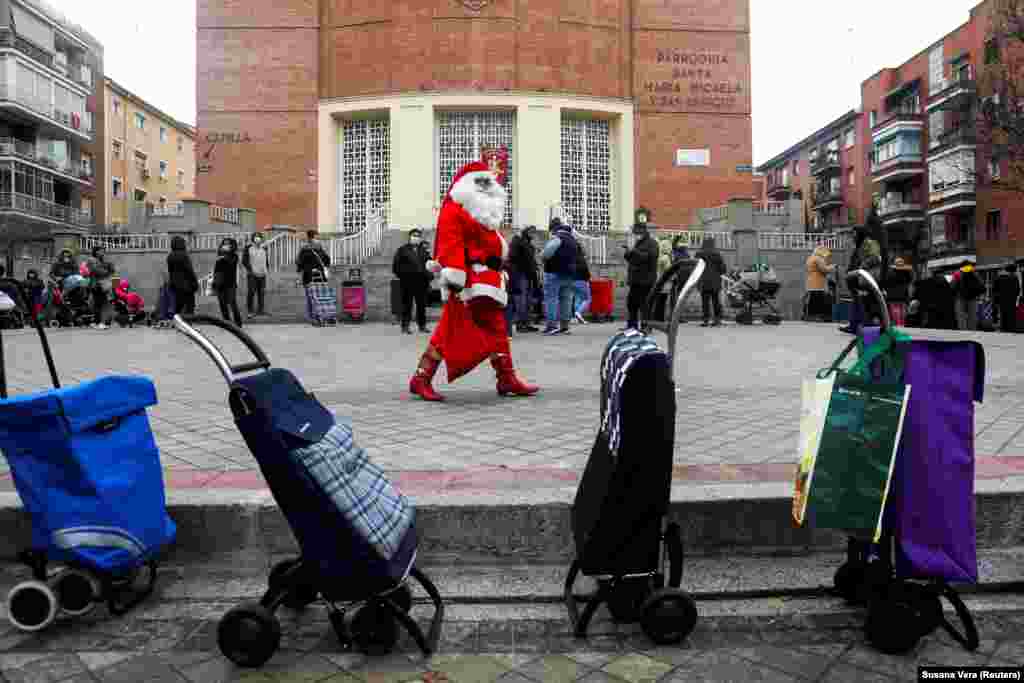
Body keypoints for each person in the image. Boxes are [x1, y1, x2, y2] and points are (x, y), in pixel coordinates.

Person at [408, 157, 538, 402]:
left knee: (494, 328)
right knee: (455, 329)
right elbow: (450, 243)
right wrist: (455, 277)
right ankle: (422, 377)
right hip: (469, 282)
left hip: (487, 281)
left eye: (489, 183)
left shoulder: (483, 215)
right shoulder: (454, 208)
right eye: (480, 183)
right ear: (465, 186)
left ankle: (505, 377)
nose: (487, 188)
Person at [540, 218, 578, 335]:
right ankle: (565, 326)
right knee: (566, 299)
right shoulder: (573, 240)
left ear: (553, 229)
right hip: (569, 274)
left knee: (551, 298)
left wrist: (542, 255)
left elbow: (546, 254)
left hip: (553, 272)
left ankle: (552, 325)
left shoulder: (557, 238)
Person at [392, 228, 432, 334]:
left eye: (418, 236)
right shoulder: (402, 250)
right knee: (407, 305)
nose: (416, 238)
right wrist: (404, 276)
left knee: (421, 305)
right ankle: (405, 326)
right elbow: (396, 266)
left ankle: (422, 326)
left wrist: (429, 276)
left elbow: (430, 265)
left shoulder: (423, 250)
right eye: (414, 235)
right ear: (409, 237)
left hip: (421, 282)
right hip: (407, 282)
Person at [622, 218, 658, 329]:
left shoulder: (652, 243)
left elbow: (650, 257)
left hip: (646, 280)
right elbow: (632, 259)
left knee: (644, 305)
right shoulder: (638, 243)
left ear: (642, 232)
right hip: (635, 280)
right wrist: (628, 252)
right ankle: (632, 326)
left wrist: (634, 251)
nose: (635, 235)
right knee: (631, 303)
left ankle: (646, 326)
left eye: (637, 233)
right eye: (634, 233)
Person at [507, 225, 540, 333]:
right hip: (521, 273)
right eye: (531, 232)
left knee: (527, 299)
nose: (533, 234)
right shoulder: (518, 241)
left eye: (534, 232)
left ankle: (526, 322)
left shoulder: (527, 242)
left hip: (528, 274)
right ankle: (521, 323)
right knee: (522, 299)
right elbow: (513, 257)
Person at [296, 230, 331, 322]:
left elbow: (299, 263)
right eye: (316, 237)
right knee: (320, 296)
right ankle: (320, 314)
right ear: (314, 237)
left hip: (308, 276)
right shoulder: (320, 248)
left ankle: (312, 316)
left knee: (310, 297)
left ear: (308, 237)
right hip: (320, 277)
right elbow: (327, 260)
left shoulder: (304, 249)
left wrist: (300, 270)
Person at [695, 236, 726, 327]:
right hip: (715, 282)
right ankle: (717, 320)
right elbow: (723, 269)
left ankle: (705, 320)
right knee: (716, 301)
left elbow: (695, 267)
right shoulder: (717, 254)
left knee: (705, 301)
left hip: (703, 281)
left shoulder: (699, 254)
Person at [213, 237, 243, 327]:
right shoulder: (219, 256)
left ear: (232, 246)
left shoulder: (234, 256)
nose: (225, 246)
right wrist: (214, 282)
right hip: (220, 284)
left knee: (232, 303)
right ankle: (227, 322)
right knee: (222, 304)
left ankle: (238, 323)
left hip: (231, 284)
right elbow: (216, 270)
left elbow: (231, 263)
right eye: (224, 244)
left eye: (228, 244)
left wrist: (223, 257)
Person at [167, 235, 199, 315]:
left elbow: (170, 272)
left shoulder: (170, 256)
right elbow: (189, 271)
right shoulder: (184, 256)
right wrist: (195, 283)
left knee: (178, 307)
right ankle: (188, 323)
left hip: (175, 286)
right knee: (190, 307)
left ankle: (178, 322)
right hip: (187, 286)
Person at [85, 245, 114, 330]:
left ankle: (99, 322)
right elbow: (96, 271)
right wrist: (107, 271)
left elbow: (112, 270)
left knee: (103, 303)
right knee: (99, 303)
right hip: (96, 285)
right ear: (96, 251)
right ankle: (100, 323)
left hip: (104, 284)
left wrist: (109, 269)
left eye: (103, 251)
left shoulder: (103, 260)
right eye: (101, 251)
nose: (103, 252)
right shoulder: (91, 260)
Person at [951, 260, 984, 331]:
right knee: (972, 316)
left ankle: (963, 331)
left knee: (961, 316)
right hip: (973, 298)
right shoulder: (975, 273)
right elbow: (981, 286)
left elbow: (952, 286)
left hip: (960, 298)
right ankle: (972, 331)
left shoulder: (957, 274)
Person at [805, 246, 835, 322]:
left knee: (812, 300)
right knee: (818, 300)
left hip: (811, 281)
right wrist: (832, 267)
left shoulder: (810, 258)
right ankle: (817, 316)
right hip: (817, 282)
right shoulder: (818, 259)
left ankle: (810, 316)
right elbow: (824, 269)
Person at [243, 232, 269, 318]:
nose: (258, 238)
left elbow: (265, 259)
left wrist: (266, 269)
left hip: (262, 275)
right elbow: (244, 261)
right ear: (253, 239)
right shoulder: (248, 248)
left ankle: (261, 310)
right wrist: (250, 270)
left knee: (261, 293)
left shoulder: (264, 248)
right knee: (251, 292)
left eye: (259, 237)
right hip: (252, 275)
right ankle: (250, 311)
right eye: (256, 237)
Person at [884, 257, 914, 327]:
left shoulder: (891, 274)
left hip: (895, 298)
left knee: (897, 314)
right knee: (900, 314)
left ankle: (899, 327)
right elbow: (909, 281)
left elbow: (887, 285)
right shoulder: (905, 274)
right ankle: (901, 326)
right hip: (900, 297)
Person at [994, 263, 1021, 333]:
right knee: (1011, 315)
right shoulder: (1015, 278)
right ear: (1014, 270)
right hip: (1011, 300)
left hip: (1001, 299)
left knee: (1003, 314)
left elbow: (995, 289)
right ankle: (1011, 329)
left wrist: (996, 298)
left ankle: (1003, 328)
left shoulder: (999, 277)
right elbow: (1018, 290)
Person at [572, 236, 592, 325]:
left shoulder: (572, 257)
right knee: (587, 299)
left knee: (577, 298)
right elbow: (584, 269)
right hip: (581, 279)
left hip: (573, 280)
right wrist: (588, 277)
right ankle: (578, 312)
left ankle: (576, 317)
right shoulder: (581, 258)